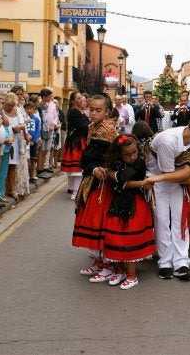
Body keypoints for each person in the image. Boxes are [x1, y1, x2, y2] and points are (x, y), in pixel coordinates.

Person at [145, 112, 190, 281]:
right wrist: (188, 180)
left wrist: (189, 179)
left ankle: (181, 262)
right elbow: (172, 173)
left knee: (180, 220)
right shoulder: (168, 141)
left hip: (167, 179)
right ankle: (165, 262)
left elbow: (187, 172)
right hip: (160, 182)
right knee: (162, 221)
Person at [96, 134, 156, 289]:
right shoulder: (116, 161)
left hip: (134, 203)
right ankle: (120, 270)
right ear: (118, 154)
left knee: (130, 239)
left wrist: (109, 173)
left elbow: (122, 178)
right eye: (127, 154)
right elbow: (122, 181)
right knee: (115, 237)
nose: (132, 156)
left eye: (134, 152)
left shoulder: (139, 162)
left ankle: (132, 275)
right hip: (117, 201)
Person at [74, 95, 118, 281]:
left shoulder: (104, 131)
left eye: (97, 110)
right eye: (91, 109)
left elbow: (86, 158)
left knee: (99, 222)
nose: (92, 113)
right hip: (94, 179)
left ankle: (107, 265)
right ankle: (99, 262)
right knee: (93, 220)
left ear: (107, 112)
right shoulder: (94, 127)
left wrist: (93, 167)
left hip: (102, 183)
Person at [61, 92, 90, 200]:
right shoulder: (74, 112)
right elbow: (84, 126)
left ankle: (71, 188)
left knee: (73, 168)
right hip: (76, 142)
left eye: (82, 98)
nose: (82, 100)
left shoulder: (78, 112)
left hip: (75, 140)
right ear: (73, 101)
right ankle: (75, 192)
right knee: (77, 169)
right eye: (79, 99)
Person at [25, 101, 41, 183]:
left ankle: (31, 176)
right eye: (26, 108)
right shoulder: (24, 118)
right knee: (27, 160)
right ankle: (27, 176)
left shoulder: (36, 119)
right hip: (26, 141)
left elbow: (38, 131)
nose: (28, 110)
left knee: (33, 159)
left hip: (33, 142)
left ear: (33, 109)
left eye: (30, 108)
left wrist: (34, 140)